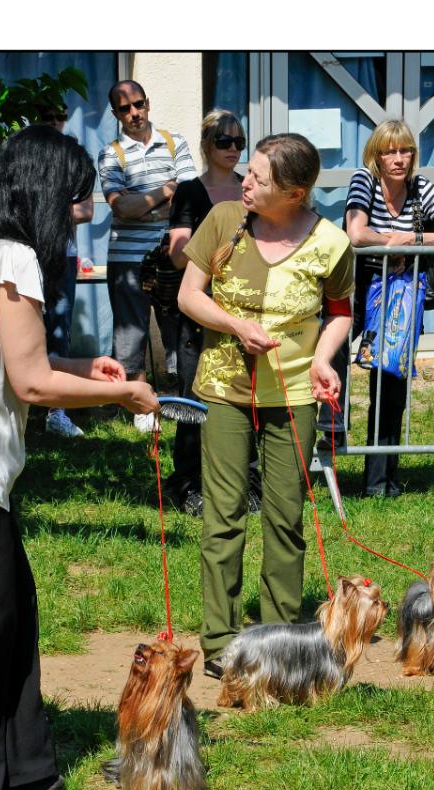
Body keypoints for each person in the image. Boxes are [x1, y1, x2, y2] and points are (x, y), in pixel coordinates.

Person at [0, 125, 159, 790]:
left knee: (12, 607)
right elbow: (30, 384)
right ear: (48, 192)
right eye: (78, 198)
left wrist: (88, 368)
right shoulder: (14, 256)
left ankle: (25, 766)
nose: (83, 211)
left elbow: (14, 360)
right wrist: (123, 393)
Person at [178, 133, 354, 677]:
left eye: (258, 177)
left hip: (296, 393)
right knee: (223, 517)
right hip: (226, 390)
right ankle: (222, 644)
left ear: (295, 192)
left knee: (286, 517)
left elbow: (340, 313)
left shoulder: (331, 242)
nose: (245, 182)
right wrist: (234, 326)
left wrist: (324, 358)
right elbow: (189, 295)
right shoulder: (225, 219)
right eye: (247, 172)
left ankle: (280, 643)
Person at [319, 119, 434, 497]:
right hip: (355, 284)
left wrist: (415, 239)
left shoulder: (421, 187)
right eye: (389, 151)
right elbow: (356, 232)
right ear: (376, 155)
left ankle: (379, 480)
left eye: (405, 150)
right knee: (330, 362)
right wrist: (396, 243)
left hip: (401, 291)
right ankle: (325, 447)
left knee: (391, 383)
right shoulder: (363, 180)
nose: (398, 158)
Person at [166, 109, 262, 516]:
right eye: (224, 141)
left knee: (249, 398)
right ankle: (187, 482)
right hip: (199, 311)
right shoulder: (189, 191)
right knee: (194, 396)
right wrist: (213, 252)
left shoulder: (250, 190)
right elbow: (176, 255)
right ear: (206, 145)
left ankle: (249, 482)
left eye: (239, 141)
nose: (233, 149)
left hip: (247, 309)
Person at [98, 80, 197, 432]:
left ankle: (180, 395)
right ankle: (141, 406)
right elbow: (121, 207)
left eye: (138, 104)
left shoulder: (175, 142)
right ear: (116, 114)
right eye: (124, 109)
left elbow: (189, 196)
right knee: (131, 331)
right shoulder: (112, 153)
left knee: (179, 326)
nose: (134, 113)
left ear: (148, 103)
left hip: (173, 253)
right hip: (127, 257)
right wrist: (166, 190)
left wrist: (146, 205)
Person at [35, 102, 94, 438]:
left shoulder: (73, 157)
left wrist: (42, 207)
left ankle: (56, 411)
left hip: (63, 254)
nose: (56, 122)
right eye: (48, 115)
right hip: (26, 253)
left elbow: (85, 211)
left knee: (59, 328)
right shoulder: (26, 156)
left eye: (61, 115)